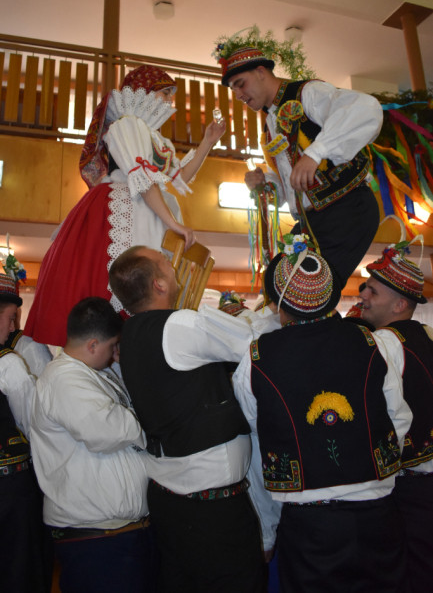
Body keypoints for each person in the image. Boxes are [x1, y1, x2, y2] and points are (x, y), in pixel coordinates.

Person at [232, 238, 412, 593]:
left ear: (277, 303)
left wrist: (267, 532)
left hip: (310, 526)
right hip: (378, 517)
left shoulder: (255, 360)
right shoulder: (373, 343)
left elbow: (258, 448)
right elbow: (398, 420)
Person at [108, 245, 281, 593]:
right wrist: (277, 311)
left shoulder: (131, 336)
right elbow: (254, 344)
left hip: (170, 501)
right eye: (167, 265)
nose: (175, 269)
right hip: (211, 509)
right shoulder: (180, 325)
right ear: (159, 284)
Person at [24, 64, 226, 347]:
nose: (169, 101)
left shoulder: (155, 136)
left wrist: (208, 142)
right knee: (125, 273)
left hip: (148, 205)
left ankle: (138, 340)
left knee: (147, 277)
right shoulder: (127, 124)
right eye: (165, 93)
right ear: (144, 92)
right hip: (127, 203)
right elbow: (141, 179)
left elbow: (176, 178)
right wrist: (172, 222)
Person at [213, 29, 382, 287]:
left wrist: (315, 153)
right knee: (277, 283)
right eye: (233, 89)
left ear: (261, 71)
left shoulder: (307, 93)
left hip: (346, 207)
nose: (238, 94)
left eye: (240, 83)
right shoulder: (269, 127)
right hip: (312, 219)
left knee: (304, 290)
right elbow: (291, 185)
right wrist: (266, 184)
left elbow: (366, 109)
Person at [30, 297, 156, 593]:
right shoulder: (63, 379)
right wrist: (147, 421)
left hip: (117, 534)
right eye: (112, 346)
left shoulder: (93, 373)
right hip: (96, 539)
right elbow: (109, 431)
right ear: (93, 345)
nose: (114, 355)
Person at [360, 240, 433, 592]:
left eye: (372, 291)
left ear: (400, 305)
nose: (362, 295)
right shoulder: (428, 336)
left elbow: (379, 416)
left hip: (406, 488)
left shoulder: (383, 343)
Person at [0, 273, 50, 592]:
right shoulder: (9, 365)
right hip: (11, 489)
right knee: (19, 567)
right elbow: (33, 425)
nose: (10, 327)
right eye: (9, 318)